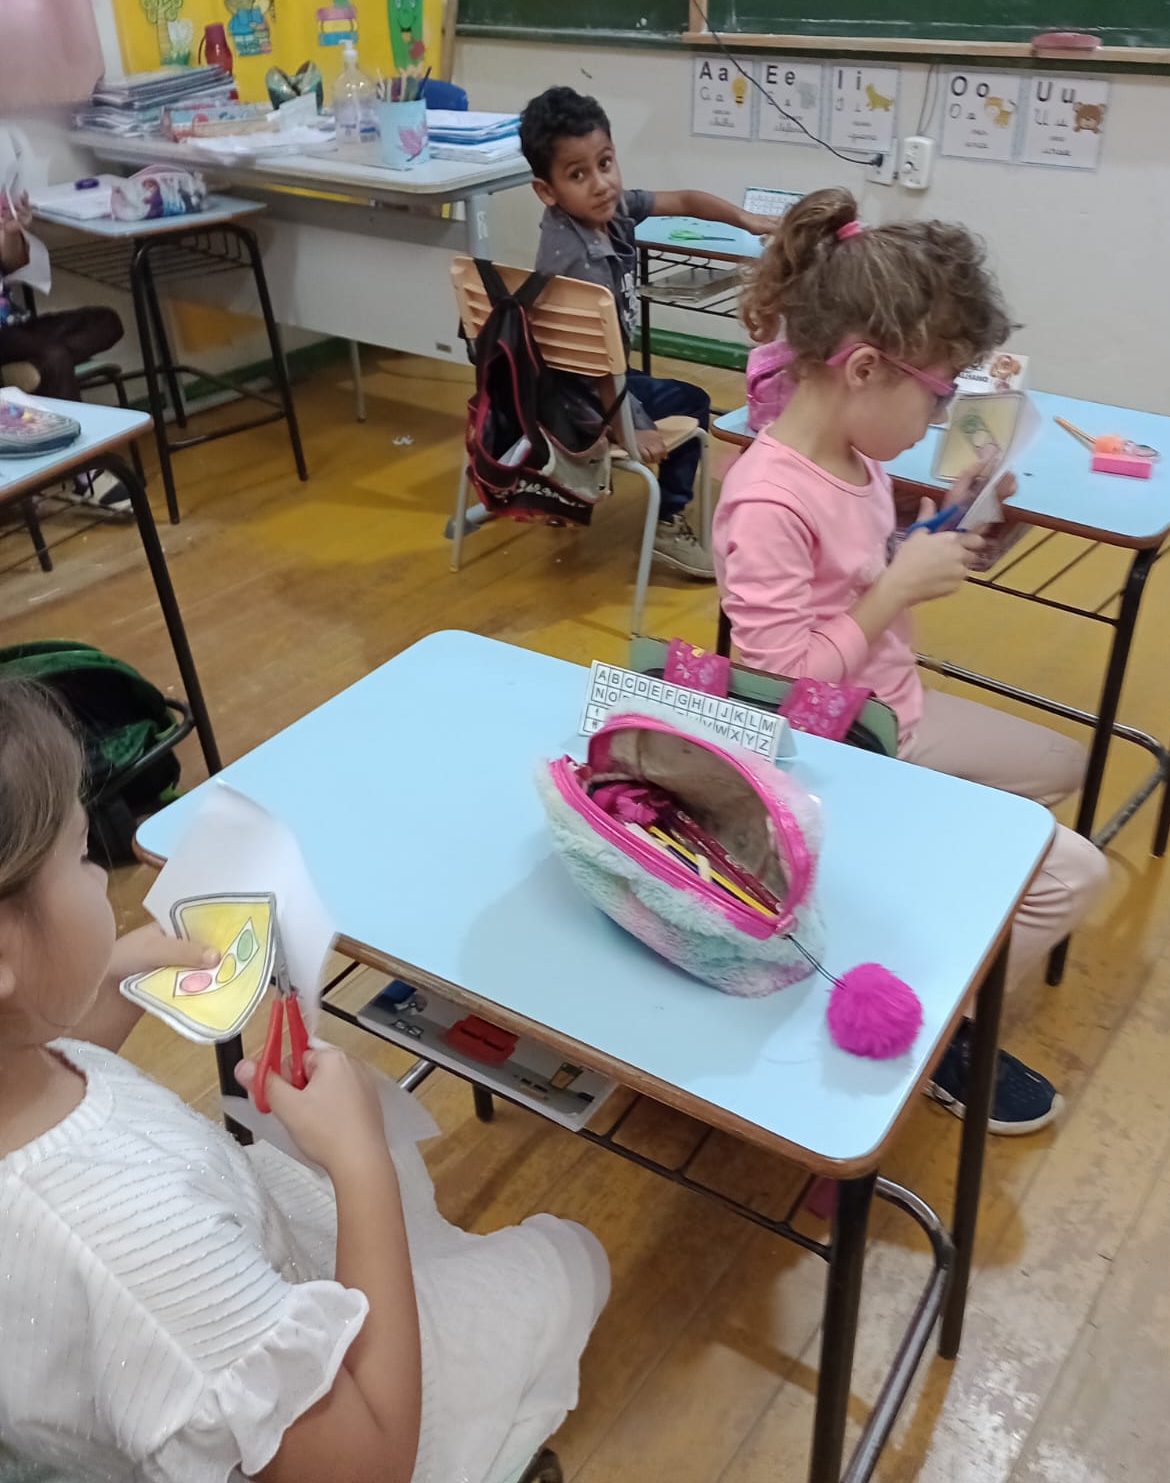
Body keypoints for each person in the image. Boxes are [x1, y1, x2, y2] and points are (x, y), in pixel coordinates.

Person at [0, 680, 608, 1483]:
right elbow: (368, 1464)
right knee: (572, 1257)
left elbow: (54, 1058)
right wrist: (360, 1161)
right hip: (349, 1419)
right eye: (84, 857)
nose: (99, 879)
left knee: (382, 1195)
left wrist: (112, 973)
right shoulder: (139, 1250)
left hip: (235, 1285)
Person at [714, 187, 1109, 1136]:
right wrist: (895, 589)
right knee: (1074, 877)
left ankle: (921, 917)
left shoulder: (858, 461)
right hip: (839, 754)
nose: (939, 417)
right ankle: (939, 1033)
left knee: (1066, 764)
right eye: (937, 395)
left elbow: (860, 577)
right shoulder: (766, 500)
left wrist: (954, 532)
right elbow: (781, 698)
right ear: (862, 368)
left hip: (893, 713)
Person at [519, 85, 776, 580]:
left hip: (573, 381)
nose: (602, 184)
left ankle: (565, 493)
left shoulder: (601, 214)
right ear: (547, 191)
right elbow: (596, 365)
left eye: (605, 163)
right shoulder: (580, 261)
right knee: (694, 403)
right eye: (578, 174)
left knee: (647, 385)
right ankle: (668, 524)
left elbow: (683, 199)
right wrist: (629, 424)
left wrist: (744, 219)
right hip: (579, 394)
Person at [1, 189, 129, 514]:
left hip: (14, 326)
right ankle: (84, 471)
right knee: (54, 355)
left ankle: (32, 370)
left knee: (106, 321)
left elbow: (13, 262)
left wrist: (12, 232)